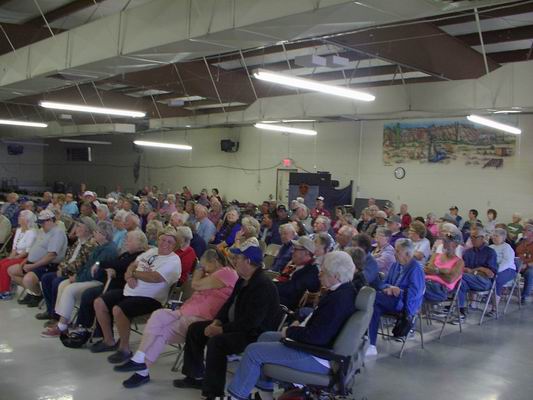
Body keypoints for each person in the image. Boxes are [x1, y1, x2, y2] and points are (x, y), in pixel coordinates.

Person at [225, 251, 358, 400]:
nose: (319, 274)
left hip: (316, 356)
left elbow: (317, 337)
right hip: (319, 349)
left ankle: (236, 396)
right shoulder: (344, 292)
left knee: (253, 352)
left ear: (336, 276)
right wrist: (298, 325)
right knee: (266, 336)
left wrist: (290, 331)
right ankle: (265, 391)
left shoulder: (338, 301)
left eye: (324, 272)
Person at [115, 249, 239, 388]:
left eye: (205, 266)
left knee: (163, 331)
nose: (204, 269)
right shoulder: (213, 275)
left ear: (215, 262)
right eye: (202, 266)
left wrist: (198, 271)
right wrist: (203, 273)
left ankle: (142, 371)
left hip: (201, 318)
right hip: (185, 311)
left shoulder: (227, 272)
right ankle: (139, 357)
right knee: (158, 315)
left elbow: (195, 285)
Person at [173, 241, 280, 399]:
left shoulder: (262, 286)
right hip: (235, 325)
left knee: (217, 342)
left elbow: (252, 322)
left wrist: (221, 329)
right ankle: (195, 376)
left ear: (248, 261)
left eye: (237, 258)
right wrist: (217, 321)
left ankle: (213, 393)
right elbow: (228, 304)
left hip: (253, 334)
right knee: (196, 329)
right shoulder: (243, 279)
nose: (233, 260)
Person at [91, 227, 182, 364]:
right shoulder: (151, 251)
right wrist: (129, 275)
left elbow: (155, 277)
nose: (165, 243)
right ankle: (109, 340)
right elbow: (133, 264)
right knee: (99, 302)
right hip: (130, 291)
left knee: (118, 309)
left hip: (151, 299)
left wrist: (133, 274)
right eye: (163, 239)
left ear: (175, 246)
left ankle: (124, 349)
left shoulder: (173, 261)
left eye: (170, 242)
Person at [41, 221, 118, 337]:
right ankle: (62, 321)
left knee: (69, 289)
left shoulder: (108, 250)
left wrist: (77, 279)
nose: (94, 234)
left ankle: (62, 326)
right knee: (62, 284)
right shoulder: (101, 246)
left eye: (96, 232)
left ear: (103, 234)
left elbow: (95, 273)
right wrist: (77, 276)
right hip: (87, 277)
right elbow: (87, 266)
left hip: (98, 282)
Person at [72, 230, 149, 338]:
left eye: (129, 240)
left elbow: (119, 265)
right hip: (112, 283)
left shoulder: (140, 256)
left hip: (123, 288)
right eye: (126, 239)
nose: (126, 242)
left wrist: (101, 264)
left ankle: (100, 333)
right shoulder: (127, 254)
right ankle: (83, 327)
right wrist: (109, 268)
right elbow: (115, 264)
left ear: (139, 243)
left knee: (101, 299)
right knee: (88, 294)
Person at [366, 239, 425, 356]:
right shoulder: (395, 265)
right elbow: (384, 282)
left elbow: (416, 293)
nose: (394, 254)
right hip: (390, 299)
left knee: (372, 298)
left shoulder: (416, 269)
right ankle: (370, 344)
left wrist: (400, 291)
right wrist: (388, 287)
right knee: (374, 306)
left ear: (408, 254)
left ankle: (369, 342)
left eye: (398, 252)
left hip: (404, 303)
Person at [37, 217, 98, 321]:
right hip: (66, 270)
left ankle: (56, 316)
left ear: (87, 229)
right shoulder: (77, 242)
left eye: (79, 226)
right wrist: (60, 267)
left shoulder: (90, 245)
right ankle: (50, 310)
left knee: (57, 282)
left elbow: (81, 264)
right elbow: (67, 258)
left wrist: (63, 270)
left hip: (75, 274)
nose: (75, 229)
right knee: (46, 278)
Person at [8, 209, 68, 307]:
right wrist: (25, 261)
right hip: (32, 262)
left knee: (28, 279)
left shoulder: (57, 233)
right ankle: (32, 292)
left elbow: (51, 256)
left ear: (50, 221)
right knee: (11, 270)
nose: (41, 225)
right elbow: (33, 249)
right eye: (40, 223)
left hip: (47, 265)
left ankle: (38, 294)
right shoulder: (42, 231)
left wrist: (33, 266)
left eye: (42, 223)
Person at [456, 227, 498, 322]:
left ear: (482, 238)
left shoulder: (490, 252)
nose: (472, 239)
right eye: (471, 237)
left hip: (485, 282)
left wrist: (473, 270)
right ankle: (460, 311)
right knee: (460, 282)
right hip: (469, 279)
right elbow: (463, 268)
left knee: (459, 277)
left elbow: (490, 274)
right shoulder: (468, 252)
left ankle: (448, 304)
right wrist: (479, 269)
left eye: (475, 237)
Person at [0, 210, 37, 299]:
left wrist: (14, 258)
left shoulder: (32, 232)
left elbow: (27, 251)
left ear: (27, 220)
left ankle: (5, 291)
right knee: (1, 262)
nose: (18, 218)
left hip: (24, 258)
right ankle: (4, 287)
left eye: (21, 216)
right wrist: (11, 256)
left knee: (5, 266)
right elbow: (14, 247)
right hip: (16, 255)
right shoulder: (19, 230)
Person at [276, 236, 320, 310]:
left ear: (306, 253)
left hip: (285, 307)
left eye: (296, 249)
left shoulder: (312, 272)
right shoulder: (294, 266)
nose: (292, 251)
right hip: (277, 299)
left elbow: (292, 292)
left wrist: (271, 287)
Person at [423, 231, 464, 303]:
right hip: (427, 283)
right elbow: (427, 271)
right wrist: (444, 271)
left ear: (456, 245)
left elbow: (450, 279)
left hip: (441, 288)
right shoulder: (436, 255)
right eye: (444, 241)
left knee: (414, 287)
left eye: (448, 241)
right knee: (412, 284)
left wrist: (436, 271)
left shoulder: (459, 262)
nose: (445, 243)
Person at [490, 228, 517, 304]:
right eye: (494, 236)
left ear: (503, 238)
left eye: (497, 236)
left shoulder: (507, 247)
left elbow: (507, 262)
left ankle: (494, 308)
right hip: (493, 268)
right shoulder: (491, 247)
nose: (494, 237)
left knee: (497, 280)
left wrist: (496, 270)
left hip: (508, 269)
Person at [516, 224, 533, 304]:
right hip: (519, 264)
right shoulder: (520, 242)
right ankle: (503, 290)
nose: (523, 232)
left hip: (530, 266)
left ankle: (524, 296)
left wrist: (527, 265)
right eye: (523, 230)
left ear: (531, 232)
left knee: (529, 273)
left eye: (525, 230)